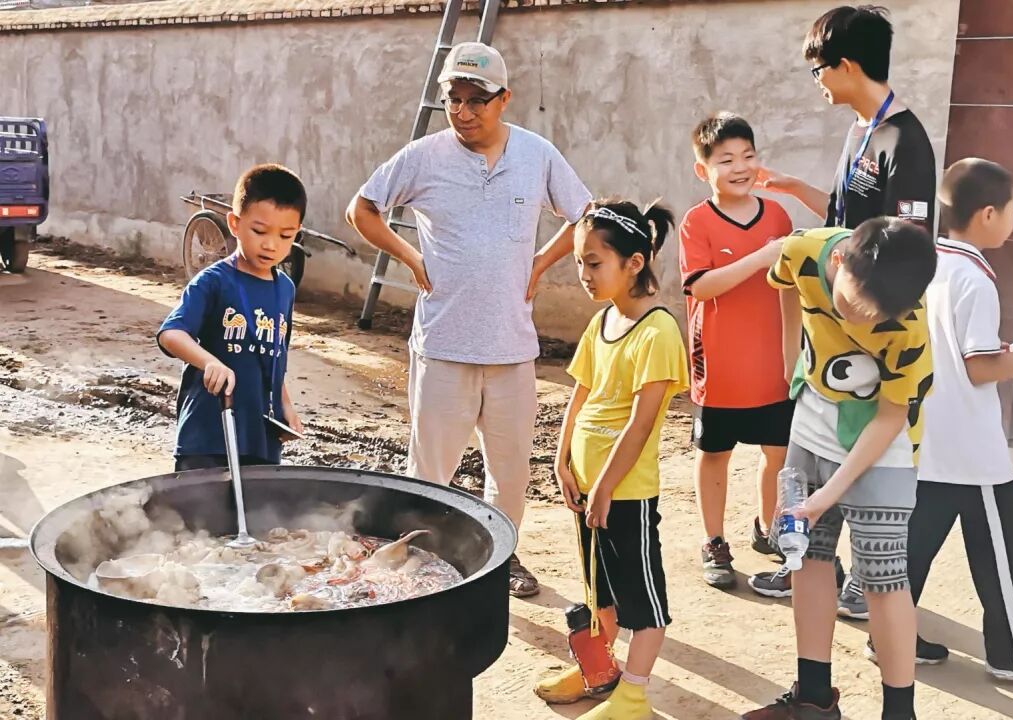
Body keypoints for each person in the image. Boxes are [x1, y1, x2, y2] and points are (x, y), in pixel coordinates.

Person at [346, 42, 592, 598]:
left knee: (508, 473)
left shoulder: (536, 154)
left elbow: (584, 213)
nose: (463, 111)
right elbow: (362, 208)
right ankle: (426, 563)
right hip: (444, 344)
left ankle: (503, 558)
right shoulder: (423, 156)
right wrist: (408, 256)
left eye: (475, 100)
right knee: (431, 470)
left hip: (512, 350)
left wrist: (539, 262)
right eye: (453, 99)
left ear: (504, 99)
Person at [750, 5, 937, 621]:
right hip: (831, 328)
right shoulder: (860, 130)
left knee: (869, 444)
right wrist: (789, 186)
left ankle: (866, 579)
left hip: (869, 329)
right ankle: (811, 563)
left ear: (848, 65)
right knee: (819, 448)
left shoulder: (903, 141)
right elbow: (842, 220)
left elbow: (901, 254)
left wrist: (867, 323)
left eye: (819, 70)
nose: (817, 82)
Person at [876, 158, 1013, 684]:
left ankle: (888, 635)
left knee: (915, 540)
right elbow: (981, 367)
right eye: (1011, 211)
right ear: (988, 214)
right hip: (969, 444)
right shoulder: (976, 280)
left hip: (926, 435)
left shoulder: (930, 264)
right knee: (1009, 547)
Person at [741, 217, 937, 720]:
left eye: (876, 317)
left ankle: (900, 712)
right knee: (807, 556)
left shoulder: (909, 323)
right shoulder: (804, 251)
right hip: (812, 423)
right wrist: (792, 362)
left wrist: (826, 496)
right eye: (852, 306)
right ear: (837, 262)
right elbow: (784, 284)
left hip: (882, 445)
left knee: (883, 577)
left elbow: (892, 415)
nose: (861, 323)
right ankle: (814, 698)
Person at [535, 199, 688, 719]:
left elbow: (640, 423)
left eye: (594, 262)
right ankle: (598, 671)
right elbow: (579, 393)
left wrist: (604, 486)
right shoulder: (604, 322)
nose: (583, 274)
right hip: (587, 486)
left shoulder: (659, 331)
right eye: (579, 262)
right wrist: (561, 459)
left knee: (641, 598)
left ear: (635, 263)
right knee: (598, 587)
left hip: (625, 492)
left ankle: (635, 695)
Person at [679, 113, 793, 590]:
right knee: (715, 454)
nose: (740, 167)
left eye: (748, 156)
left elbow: (792, 290)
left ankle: (770, 531)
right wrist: (760, 258)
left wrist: (795, 357)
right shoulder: (696, 222)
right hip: (720, 369)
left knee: (779, 454)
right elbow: (702, 287)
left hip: (774, 368)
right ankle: (714, 541)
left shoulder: (779, 216)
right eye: (726, 160)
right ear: (703, 169)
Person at [159, 164, 306, 471]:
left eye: (285, 235)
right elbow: (171, 333)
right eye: (259, 231)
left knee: (253, 517)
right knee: (199, 518)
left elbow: (274, 358)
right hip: (209, 436)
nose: (271, 244)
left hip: (261, 440)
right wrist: (209, 362)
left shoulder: (285, 290)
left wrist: (286, 407)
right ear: (235, 224)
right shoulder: (213, 281)